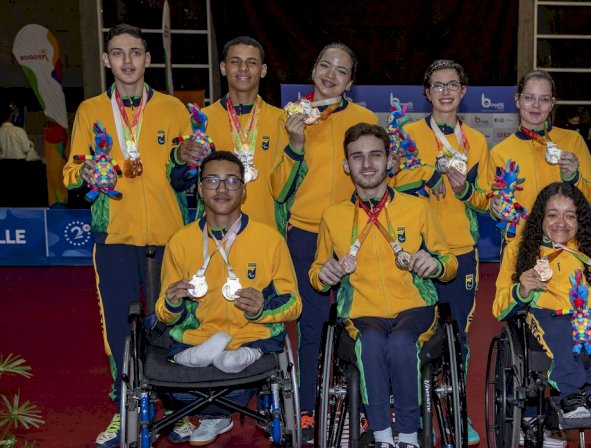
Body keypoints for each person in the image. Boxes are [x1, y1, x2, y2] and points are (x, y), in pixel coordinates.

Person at [61, 24, 193, 448]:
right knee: (119, 327)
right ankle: (125, 409)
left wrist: (187, 161)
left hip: (170, 238)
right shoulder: (89, 111)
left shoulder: (174, 108)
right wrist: (85, 173)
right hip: (114, 236)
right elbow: (70, 178)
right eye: (118, 53)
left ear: (148, 58)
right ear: (106, 60)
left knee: (169, 323)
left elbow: (184, 173)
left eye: (135, 52)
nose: (128, 61)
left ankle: (175, 407)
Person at [309, 123, 457, 448]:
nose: (367, 164)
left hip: (414, 306)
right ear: (346, 165)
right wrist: (325, 274)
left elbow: (449, 262)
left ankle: (407, 435)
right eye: (357, 157)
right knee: (372, 342)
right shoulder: (333, 216)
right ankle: (381, 437)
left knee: (402, 342)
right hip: (361, 310)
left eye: (375, 155)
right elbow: (317, 272)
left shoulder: (417, 208)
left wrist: (437, 264)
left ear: (390, 161)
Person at [270, 42, 378, 442]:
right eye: (325, 65)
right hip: (306, 234)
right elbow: (277, 189)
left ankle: (367, 407)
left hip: (356, 232)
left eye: (342, 70)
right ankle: (310, 407)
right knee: (311, 325)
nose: (331, 74)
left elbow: (379, 176)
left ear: (351, 81)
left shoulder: (365, 118)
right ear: (314, 68)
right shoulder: (292, 116)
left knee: (362, 321)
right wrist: (295, 144)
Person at [156, 150, 301, 445]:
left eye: (232, 181)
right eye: (212, 180)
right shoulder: (180, 241)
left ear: (244, 190)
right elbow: (162, 311)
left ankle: (228, 363)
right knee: (179, 352)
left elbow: (294, 303)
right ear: (199, 188)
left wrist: (262, 309)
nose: (222, 189)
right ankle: (213, 412)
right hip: (197, 336)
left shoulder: (270, 239)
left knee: (232, 359)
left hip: (251, 335)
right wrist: (171, 303)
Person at [391, 59, 491, 445]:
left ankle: (456, 413)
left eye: (453, 85)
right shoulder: (408, 133)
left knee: (457, 338)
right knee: (410, 333)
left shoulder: (478, 141)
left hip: (460, 250)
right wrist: (430, 172)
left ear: (463, 92)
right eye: (438, 85)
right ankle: (411, 413)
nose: (445, 91)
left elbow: (486, 200)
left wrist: (464, 188)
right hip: (413, 250)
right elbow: (391, 180)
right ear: (427, 93)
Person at [493, 182, 591, 445]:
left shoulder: (588, 250)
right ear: (540, 218)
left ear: (580, 221)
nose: (561, 223)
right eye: (553, 214)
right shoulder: (518, 250)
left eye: (570, 215)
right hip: (550, 318)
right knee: (558, 326)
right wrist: (522, 290)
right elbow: (499, 306)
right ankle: (569, 396)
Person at [171, 36, 287, 232]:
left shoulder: (282, 121)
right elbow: (178, 183)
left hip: (266, 234)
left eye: (252, 62)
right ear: (223, 68)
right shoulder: (200, 120)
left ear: (263, 70)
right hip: (213, 234)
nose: (243, 68)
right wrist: (180, 158)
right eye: (235, 62)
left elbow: (292, 185)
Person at [489, 70, 591, 243]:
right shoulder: (500, 152)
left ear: (552, 103)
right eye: (529, 97)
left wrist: (573, 177)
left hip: (564, 245)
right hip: (520, 247)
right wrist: (495, 208)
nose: (536, 105)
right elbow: (495, 203)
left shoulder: (573, 141)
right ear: (518, 100)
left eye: (544, 99)